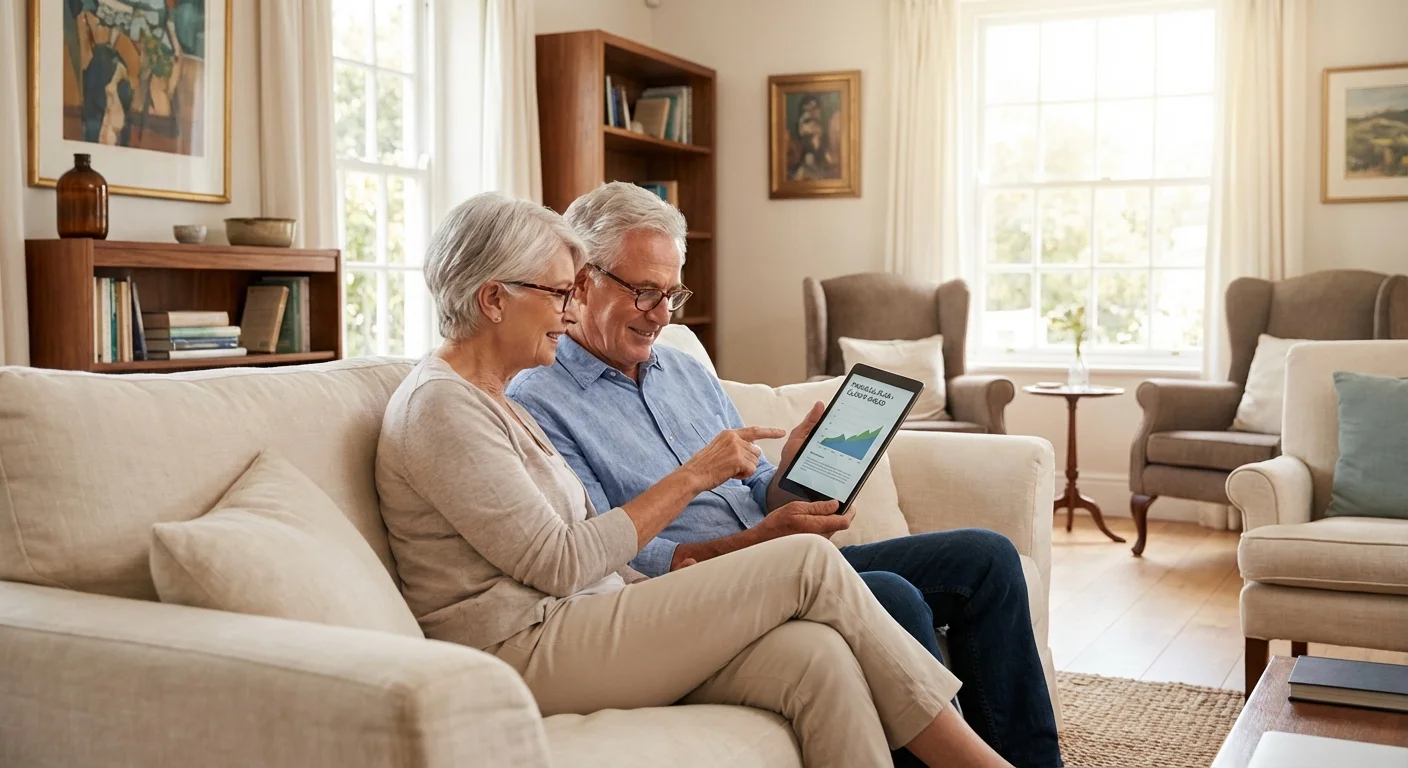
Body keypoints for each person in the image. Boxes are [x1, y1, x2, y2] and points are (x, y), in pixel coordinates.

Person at [376, 191, 1014, 768]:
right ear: (493, 299)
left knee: (818, 661)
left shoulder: (495, 395)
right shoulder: (443, 405)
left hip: (589, 612)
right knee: (806, 565)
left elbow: (575, 542)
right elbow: (560, 561)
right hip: (523, 644)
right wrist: (694, 489)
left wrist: (779, 484)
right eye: (558, 293)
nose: (566, 313)